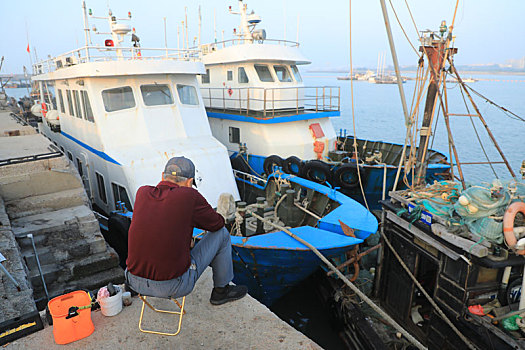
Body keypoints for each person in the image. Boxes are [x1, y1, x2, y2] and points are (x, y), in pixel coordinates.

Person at [126, 156, 247, 305]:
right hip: (173, 287)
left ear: (163, 176)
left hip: (133, 281)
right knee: (222, 234)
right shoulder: (189, 196)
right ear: (189, 182)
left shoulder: (142, 192)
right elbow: (217, 224)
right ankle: (221, 291)